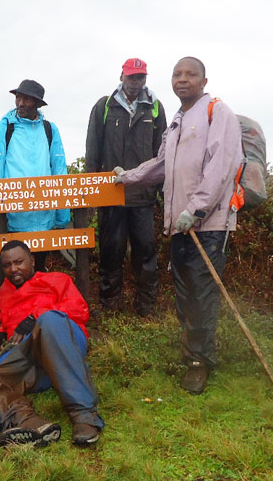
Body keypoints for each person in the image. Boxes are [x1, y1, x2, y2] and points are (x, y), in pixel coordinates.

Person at [114, 57, 242, 394]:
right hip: (179, 226)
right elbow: (162, 165)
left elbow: (222, 166)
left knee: (202, 293)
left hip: (209, 225)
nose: (182, 79)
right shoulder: (178, 120)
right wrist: (129, 177)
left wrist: (197, 209)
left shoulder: (218, 112)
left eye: (190, 74)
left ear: (204, 80)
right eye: (177, 74)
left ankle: (198, 363)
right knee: (185, 295)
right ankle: (195, 354)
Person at [0, 241, 104, 447]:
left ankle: (84, 416)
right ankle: (29, 423)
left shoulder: (58, 279)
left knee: (49, 320)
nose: (13, 269)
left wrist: (36, 317)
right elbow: (8, 322)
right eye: (7, 265)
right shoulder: (5, 291)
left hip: (61, 345)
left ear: (32, 261)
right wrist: (0, 334)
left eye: (18, 262)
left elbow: (79, 311)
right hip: (30, 359)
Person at [85, 58, 167, 316]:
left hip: (143, 195)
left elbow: (162, 152)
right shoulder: (104, 106)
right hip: (111, 195)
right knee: (111, 251)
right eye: (131, 77)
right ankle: (110, 306)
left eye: (140, 77)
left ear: (145, 78)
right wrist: (92, 190)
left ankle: (146, 307)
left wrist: (163, 190)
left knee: (145, 252)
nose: (135, 82)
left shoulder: (154, 107)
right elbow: (92, 150)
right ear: (121, 77)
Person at [0, 80, 69, 272]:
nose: (21, 103)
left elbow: (59, 169)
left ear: (37, 104)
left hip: (44, 217)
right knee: (15, 272)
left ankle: (37, 303)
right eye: (18, 97)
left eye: (27, 99)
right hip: (13, 218)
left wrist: (62, 215)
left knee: (38, 269)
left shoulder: (50, 129)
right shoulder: (4, 128)